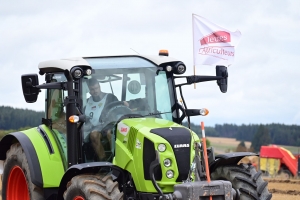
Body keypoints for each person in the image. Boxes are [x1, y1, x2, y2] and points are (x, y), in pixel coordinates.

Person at [85, 77, 126, 161]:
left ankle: (116, 158)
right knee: (93, 135)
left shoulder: (110, 97)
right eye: (92, 89)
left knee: (110, 132)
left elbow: (118, 110)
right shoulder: (86, 102)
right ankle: (103, 160)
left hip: (109, 123)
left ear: (99, 87)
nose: (95, 91)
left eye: (96, 88)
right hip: (94, 127)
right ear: (89, 91)